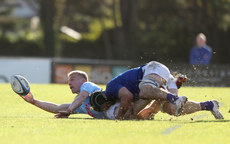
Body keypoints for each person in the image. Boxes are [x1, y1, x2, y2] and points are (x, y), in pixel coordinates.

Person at [90, 61, 188, 119]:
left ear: (103, 100)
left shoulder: (110, 88)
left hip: (153, 70)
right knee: (171, 108)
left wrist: (121, 115)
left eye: (105, 107)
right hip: (160, 78)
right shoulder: (114, 95)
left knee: (144, 93)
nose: (107, 108)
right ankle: (203, 105)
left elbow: (127, 96)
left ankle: (174, 98)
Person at [20, 70, 110, 119]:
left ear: (82, 81)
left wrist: (69, 111)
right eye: (68, 81)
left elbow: (82, 97)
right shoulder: (78, 104)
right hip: (114, 117)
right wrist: (33, 101)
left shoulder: (87, 85)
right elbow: (57, 108)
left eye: (72, 79)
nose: (69, 83)